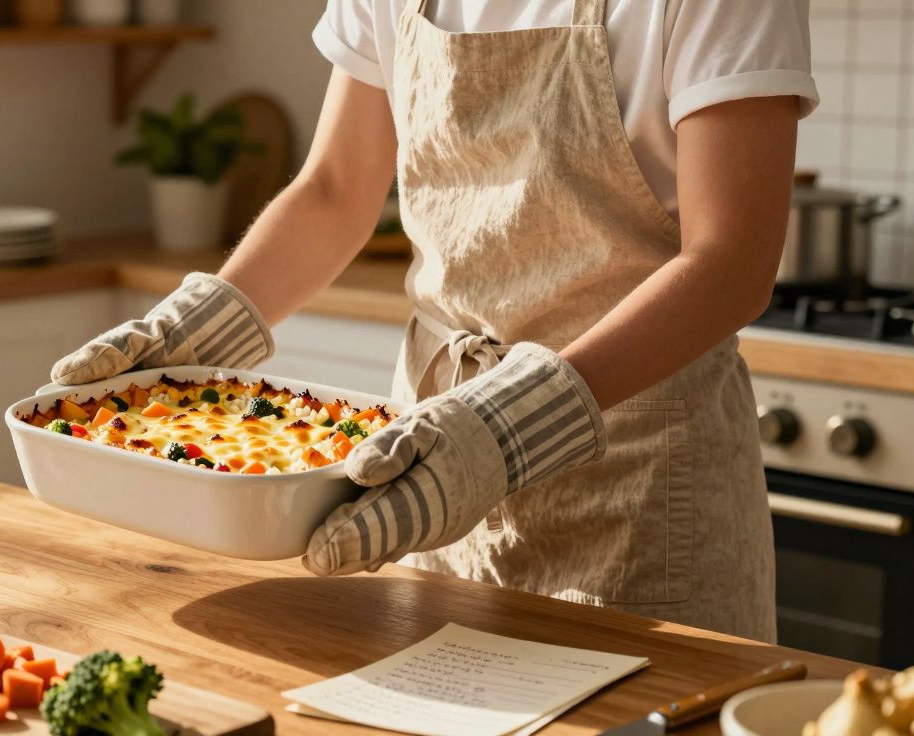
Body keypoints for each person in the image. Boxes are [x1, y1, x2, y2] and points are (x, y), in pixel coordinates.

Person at [51, 0, 817, 642]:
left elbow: (732, 262)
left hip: (642, 489)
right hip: (433, 466)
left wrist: (508, 428)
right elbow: (335, 188)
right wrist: (199, 331)